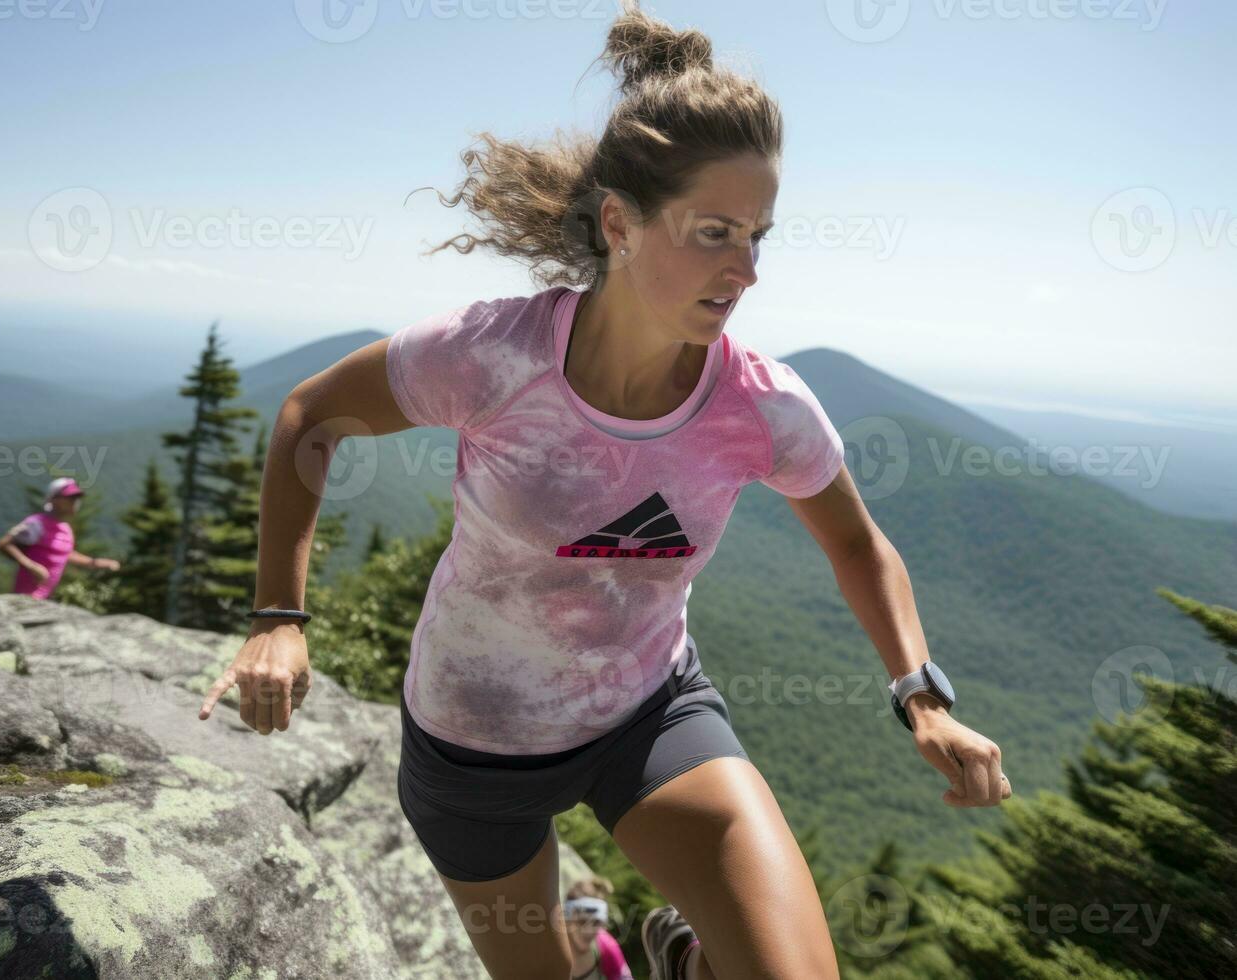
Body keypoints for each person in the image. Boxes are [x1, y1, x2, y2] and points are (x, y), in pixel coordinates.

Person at [198, 3, 1012, 978]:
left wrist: (918, 694)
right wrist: (279, 616)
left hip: (649, 712)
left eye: (758, 235)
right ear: (621, 224)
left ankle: (678, 953)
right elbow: (309, 416)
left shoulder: (758, 404)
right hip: (472, 744)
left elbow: (856, 544)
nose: (746, 268)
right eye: (714, 232)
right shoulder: (493, 353)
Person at [0, 476, 122, 599]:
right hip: (25, 598)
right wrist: (31, 566)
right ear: (53, 499)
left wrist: (96, 563)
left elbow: (66, 554)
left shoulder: (66, 529)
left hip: (44, 599)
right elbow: (4, 544)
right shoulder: (35, 523)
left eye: (77, 498)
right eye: (70, 498)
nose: (75, 502)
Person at [563, 875, 634, 980]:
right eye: (582, 922)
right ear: (566, 920)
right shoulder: (547, 946)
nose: (589, 930)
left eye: (596, 922)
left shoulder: (607, 947)